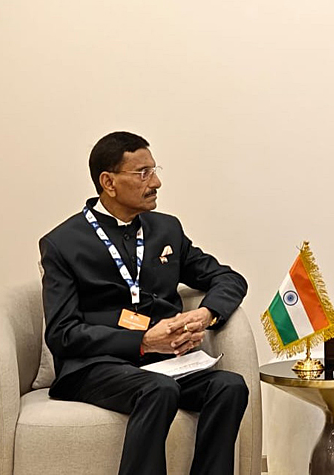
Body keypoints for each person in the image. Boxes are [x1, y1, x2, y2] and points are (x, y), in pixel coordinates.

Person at [39, 131, 249, 475]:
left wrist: (205, 314)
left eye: (154, 170)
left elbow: (228, 278)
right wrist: (144, 340)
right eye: (143, 173)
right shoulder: (62, 243)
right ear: (108, 182)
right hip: (96, 367)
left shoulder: (166, 230)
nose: (156, 182)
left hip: (163, 363)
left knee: (229, 386)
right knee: (159, 390)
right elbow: (63, 333)